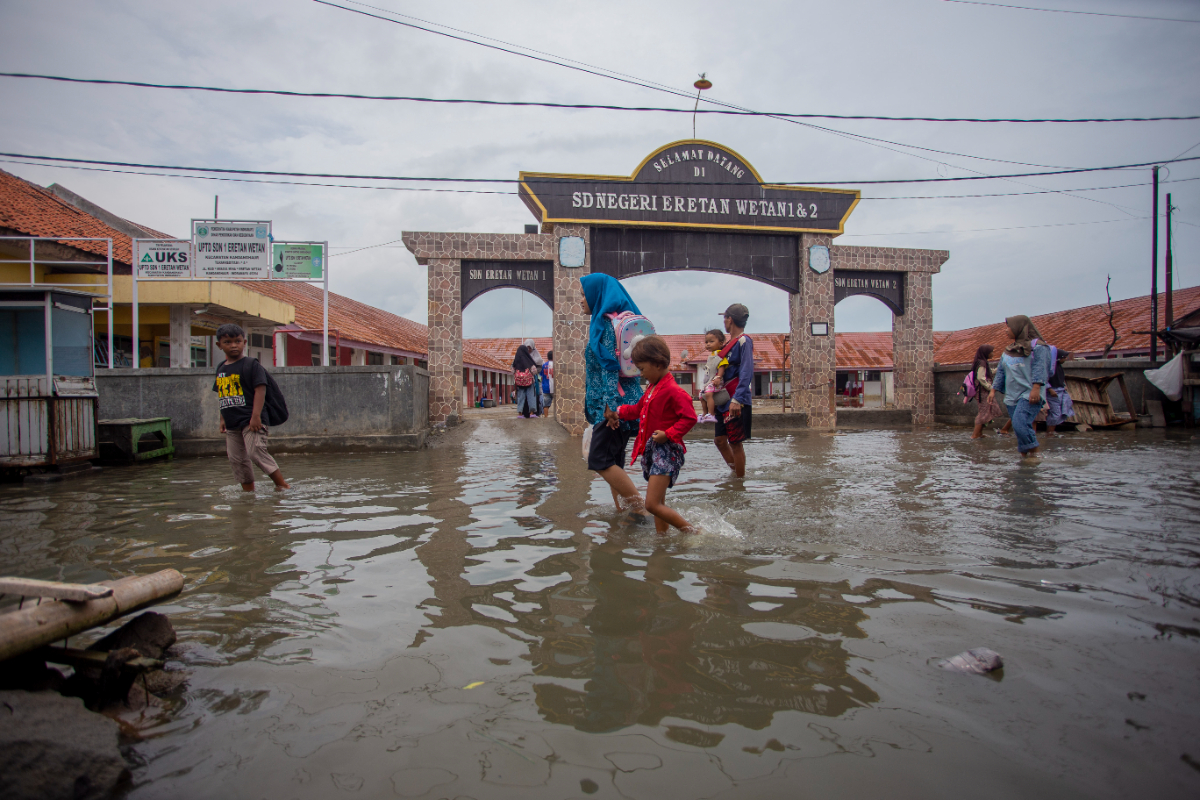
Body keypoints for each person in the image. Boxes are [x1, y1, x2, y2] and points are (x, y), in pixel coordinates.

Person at [604, 336, 697, 534]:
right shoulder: (653, 388)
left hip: (667, 451)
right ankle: (662, 539)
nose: (642, 374)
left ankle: (692, 532)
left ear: (658, 364)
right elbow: (638, 410)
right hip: (655, 451)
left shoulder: (674, 391)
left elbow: (690, 418)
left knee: (652, 504)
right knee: (659, 502)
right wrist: (618, 411)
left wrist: (669, 434)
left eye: (643, 369)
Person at [580, 273, 646, 512]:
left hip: (614, 408)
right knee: (614, 461)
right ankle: (624, 512)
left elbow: (610, 367)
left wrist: (610, 408)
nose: (581, 300)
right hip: (623, 403)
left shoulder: (606, 325)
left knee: (600, 459)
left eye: (583, 295)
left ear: (596, 294)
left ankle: (641, 509)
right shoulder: (612, 322)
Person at [212, 323, 289, 492]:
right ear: (219, 345)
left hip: (251, 419)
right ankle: (248, 492)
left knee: (256, 452)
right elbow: (223, 393)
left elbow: (260, 389)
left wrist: (256, 417)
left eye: (237, 341)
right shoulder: (221, 368)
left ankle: (282, 485)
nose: (233, 345)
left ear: (244, 342)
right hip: (232, 421)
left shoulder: (251, 364)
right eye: (228, 342)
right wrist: (222, 418)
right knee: (236, 459)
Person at [989, 315, 1052, 458]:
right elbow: (1000, 371)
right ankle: (1025, 456)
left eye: (1009, 327)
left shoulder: (1039, 347)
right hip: (1012, 395)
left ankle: (1034, 453)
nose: (1006, 331)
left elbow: (1040, 368)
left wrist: (1036, 387)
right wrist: (993, 390)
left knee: (1019, 423)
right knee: (1020, 427)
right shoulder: (1008, 351)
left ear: (1019, 328)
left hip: (1030, 393)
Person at [712, 303, 753, 478]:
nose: (724, 322)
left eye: (725, 318)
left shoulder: (744, 341)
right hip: (724, 400)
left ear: (730, 319)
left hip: (735, 400)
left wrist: (738, 399)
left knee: (735, 443)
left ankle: (739, 483)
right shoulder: (729, 345)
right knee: (720, 440)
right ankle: (737, 473)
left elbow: (746, 370)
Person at [971, 344, 1002, 439]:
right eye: (991, 352)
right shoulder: (982, 363)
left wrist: (999, 369)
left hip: (981, 391)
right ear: (986, 353)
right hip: (982, 392)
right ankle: (975, 435)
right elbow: (981, 377)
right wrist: (990, 387)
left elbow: (988, 372)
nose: (992, 354)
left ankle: (979, 433)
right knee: (983, 412)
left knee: (985, 411)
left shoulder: (981, 362)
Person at [697, 329, 728, 423]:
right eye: (706, 342)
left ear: (721, 343)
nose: (708, 344)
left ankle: (711, 414)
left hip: (716, 380)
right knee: (701, 395)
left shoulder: (719, 355)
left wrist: (718, 377)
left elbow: (721, 366)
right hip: (710, 381)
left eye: (711, 341)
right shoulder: (711, 355)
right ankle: (705, 413)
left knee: (708, 394)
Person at [1044, 348, 1074, 436]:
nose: (1065, 359)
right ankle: (1049, 433)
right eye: (1064, 357)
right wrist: (1050, 389)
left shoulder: (1059, 367)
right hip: (1053, 392)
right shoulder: (1050, 367)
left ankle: (1051, 431)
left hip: (1060, 391)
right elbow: (1044, 379)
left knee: (1061, 412)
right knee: (1055, 413)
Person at [512, 344, 539, 419]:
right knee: (531, 397)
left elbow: (512, 370)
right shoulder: (528, 360)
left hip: (519, 383)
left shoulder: (516, 361)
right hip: (529, 382)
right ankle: (531, 413)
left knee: (520, 397)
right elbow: (534, 371)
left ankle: (520, 414)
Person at [525, 338, 544, 416]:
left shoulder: (537, 357)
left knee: (536, 394)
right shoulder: (523, 355)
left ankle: (536, 411)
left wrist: (534, 372)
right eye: (527, 347)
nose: (528, 349)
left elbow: (540, 367)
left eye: (530, 347)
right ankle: (526, 412)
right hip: (525, 380)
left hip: (535, 379)